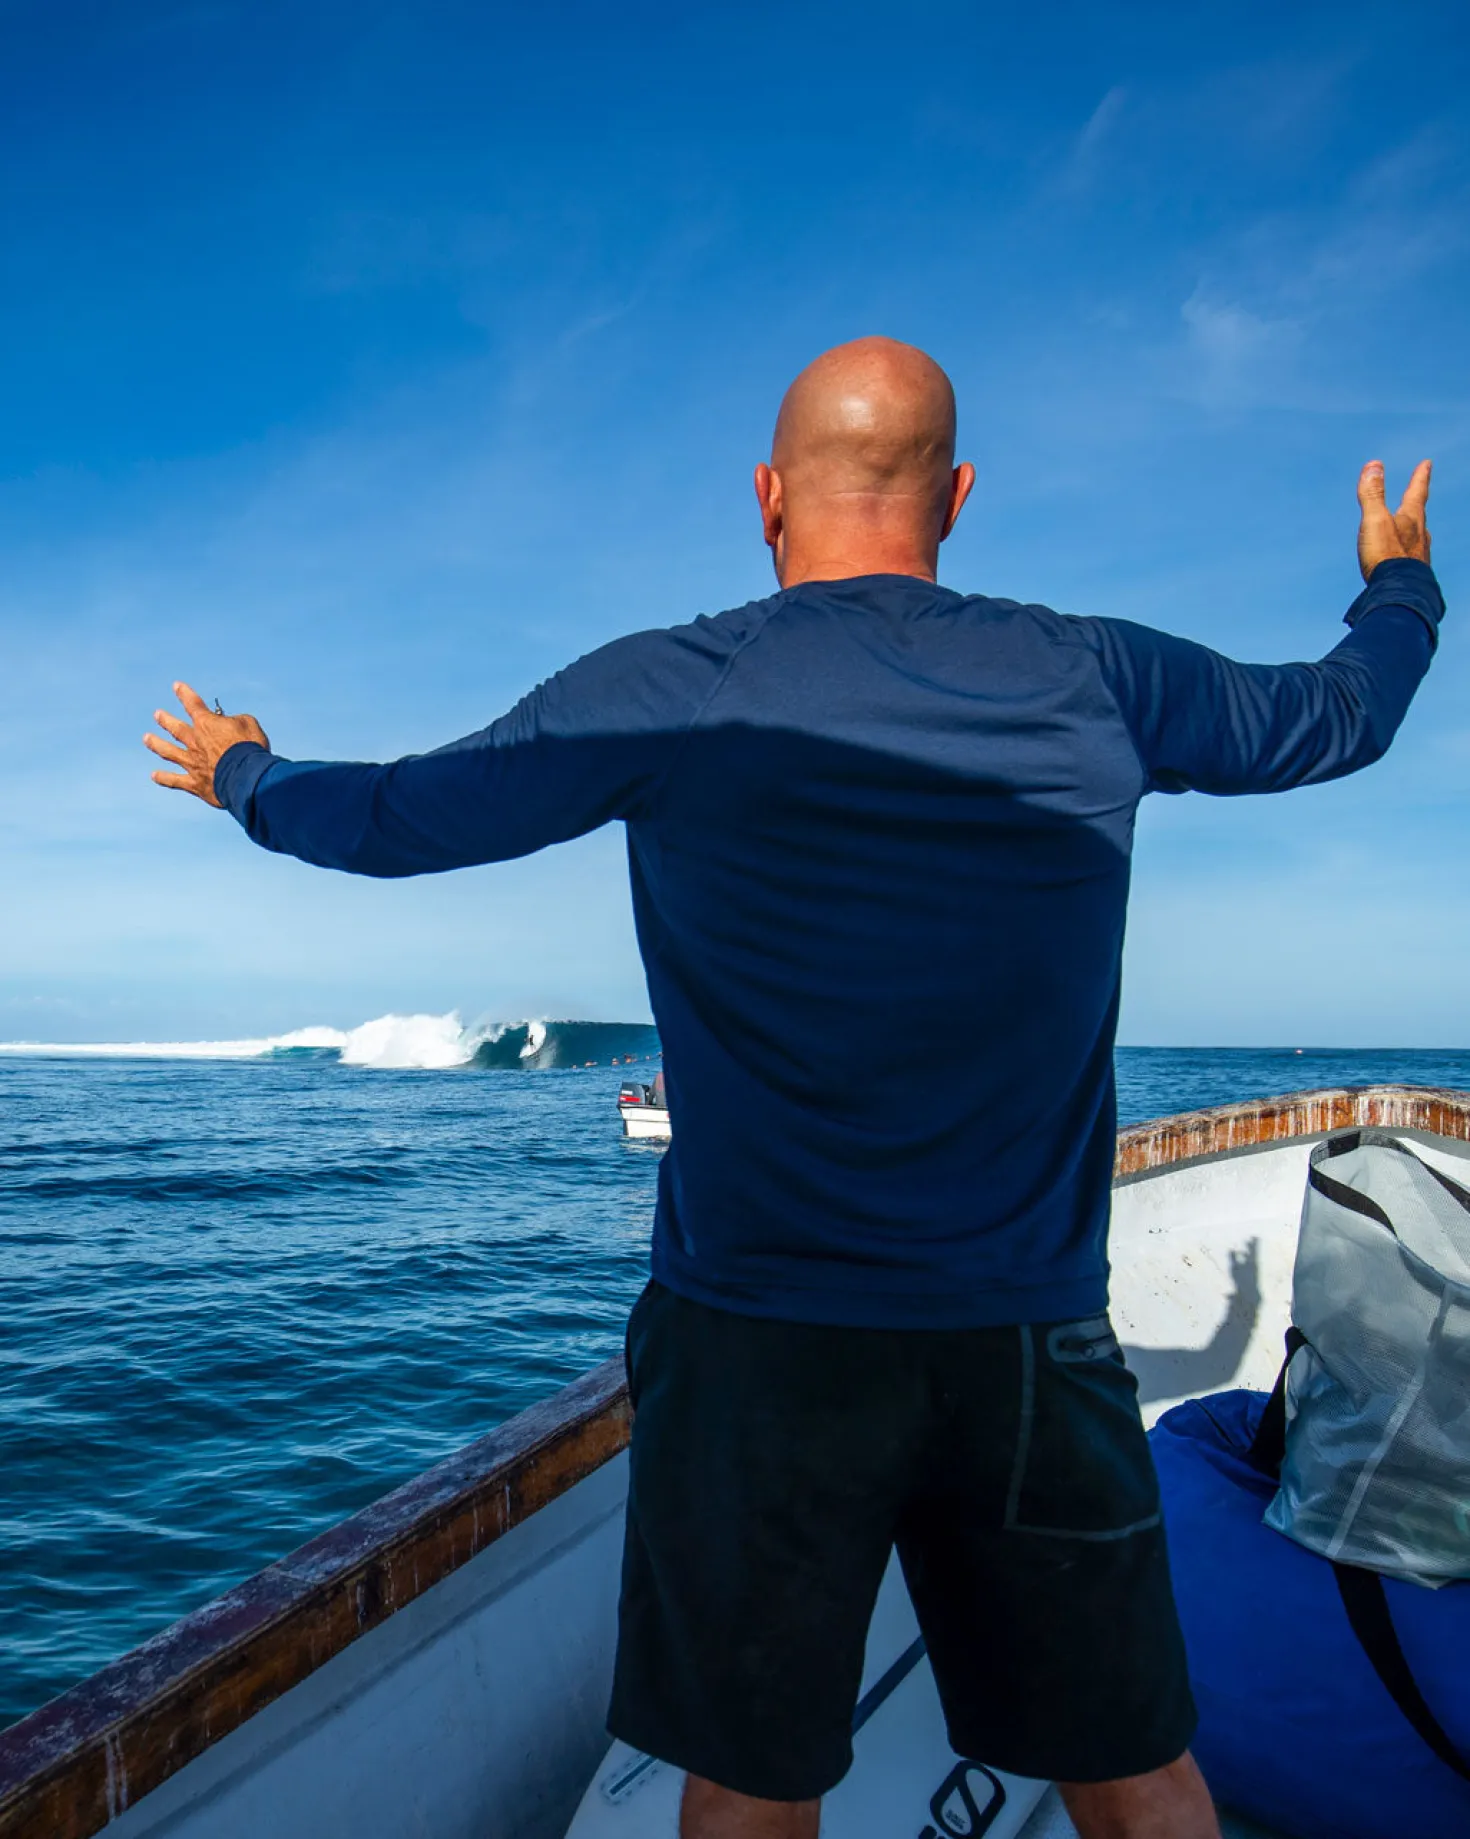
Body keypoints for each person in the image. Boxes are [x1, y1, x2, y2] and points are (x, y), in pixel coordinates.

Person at [146, 338, 1441, 1839]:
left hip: (757, 1348)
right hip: (1024, 1340)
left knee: (752, 1786)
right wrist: (1398, 581)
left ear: (767, 496)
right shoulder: (1097, 673)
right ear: (955, 495)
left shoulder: (669, 686)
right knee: (1138, 1772)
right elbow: (1342, 713)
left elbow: (392, 817)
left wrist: (244, 774)